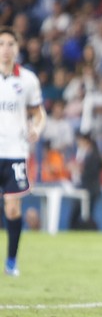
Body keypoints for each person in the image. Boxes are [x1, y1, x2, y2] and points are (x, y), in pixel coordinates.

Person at [0, 26, 46, 276]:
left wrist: (37, 128)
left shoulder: (27, 80)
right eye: (1, 44)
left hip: (15, 151)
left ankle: (11, 262)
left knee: (12, 209)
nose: (5, 49)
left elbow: (39, 113)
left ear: (17, 48)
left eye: (10, 44)